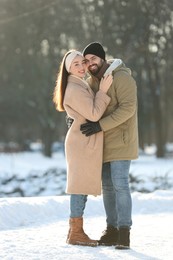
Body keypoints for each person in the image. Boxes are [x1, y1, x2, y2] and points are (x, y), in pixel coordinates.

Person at [80, 42, 139, 249]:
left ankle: (124, 232)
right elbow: (89, 108)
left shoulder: (122, 78)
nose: (90, 63)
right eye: (86, 60)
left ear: (102, 58)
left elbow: (128, 109)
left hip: (121, 140)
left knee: (120, 184)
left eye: (93, 59)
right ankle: (111, 229)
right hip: (102, 142)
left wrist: (100, 125)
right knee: (107, 187)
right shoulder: (91, 82)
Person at [53, 50, 114, 247]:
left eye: (82, 62)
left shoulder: (79, 84)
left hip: (82, 140)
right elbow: (94, 114)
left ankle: (74, 231)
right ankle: (76, 232)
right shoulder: (74, 88)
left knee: (80, 186)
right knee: (79, 187)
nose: (81, 67)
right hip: (81, 142)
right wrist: (103, 91)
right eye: (76, 64)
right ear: (68, 69)